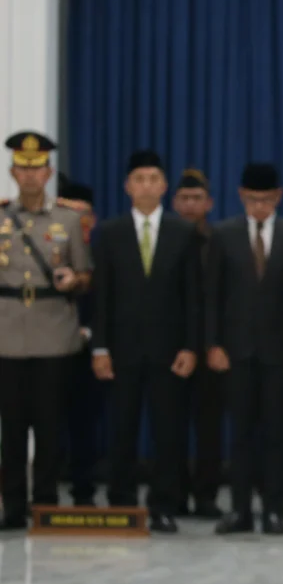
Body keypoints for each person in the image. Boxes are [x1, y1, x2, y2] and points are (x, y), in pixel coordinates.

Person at [91, 150, 202, 533]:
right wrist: (100, 349)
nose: (146, 186)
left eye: (154, 179)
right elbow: (101, 296)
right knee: (121, 428)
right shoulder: (109, 232)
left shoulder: (184, 233)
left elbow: (193, 297)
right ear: (127, 186)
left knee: (167, 431)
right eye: (139, 179)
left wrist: (190, 347)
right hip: (121, 351)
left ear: (164, 186)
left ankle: (163, 505)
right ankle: (121, 503)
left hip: (169, 351)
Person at [206, 163, 283, 536]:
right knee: (239, 435)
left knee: (276, 434)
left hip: (279, 354)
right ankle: (239, 510)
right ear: (241, 196)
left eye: (267, 200)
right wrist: (212, 343)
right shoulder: (224, 234)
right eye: (253, 200)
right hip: (235, 352)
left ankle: (272, 509)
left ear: (279, 197)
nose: (260, 207)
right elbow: (212, 296)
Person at [0, 132, 91, 528]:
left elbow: (87, 274)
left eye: (38, 170)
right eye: (24, 168)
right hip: (7, 333)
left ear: (49, 173)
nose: (31, 176)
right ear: (12, 172)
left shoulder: (68, 219)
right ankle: (14, 507)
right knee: (13, 427)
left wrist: (74, 280)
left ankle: (47, 502)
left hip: (54, 332)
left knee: (51, 425)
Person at [170, 167, 224, 518]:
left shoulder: (220, 240)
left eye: (197, 199)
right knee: (171, 425)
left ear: (209, 203)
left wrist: (214, 343)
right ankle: (174, 495)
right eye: (185, 199)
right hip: (174, 348)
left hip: (212, 349)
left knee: (209, 427)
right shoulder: (166, 238)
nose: (190, 206)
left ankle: (206, 495)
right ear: (175, 202)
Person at [57, 176, 100, 508]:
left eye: (82, 214)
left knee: (86, 423)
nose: (76, 221)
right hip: (50, 350)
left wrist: (91, 331)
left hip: (91, 350)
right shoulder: (48, 252)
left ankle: (83, 491)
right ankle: (41, 491)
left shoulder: (106, 249)